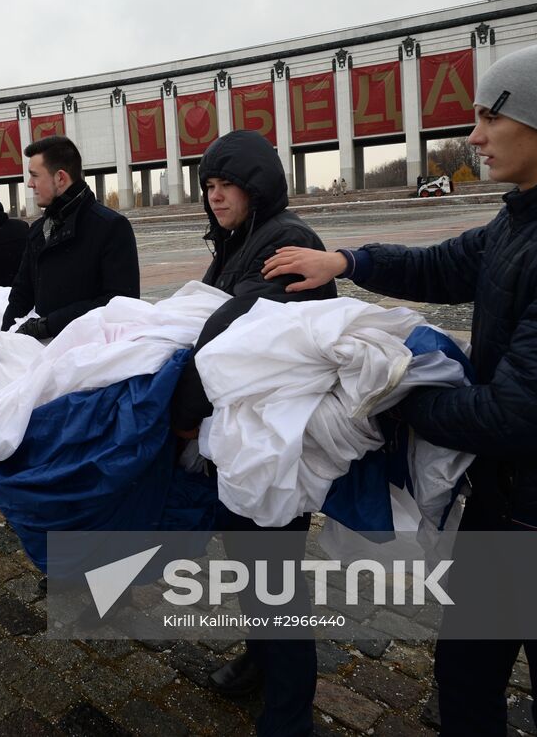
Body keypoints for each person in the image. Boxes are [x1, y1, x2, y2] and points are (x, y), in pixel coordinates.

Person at [263, 40, 537, 737]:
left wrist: (376, 398)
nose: (474, 135)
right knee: (463, 679)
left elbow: (518, 415)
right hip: (506, 509)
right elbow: (447, 266)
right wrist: (347, 259)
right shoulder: (532, 214)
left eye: (490, 117)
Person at [163, 130, 338, 736]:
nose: (214, 195)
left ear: (255, 184)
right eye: (207, 186)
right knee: (249, 567)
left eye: (225, 184)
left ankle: (289, 718)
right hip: (239, 438)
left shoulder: (285, 240)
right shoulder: (238, 241)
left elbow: (229, 336)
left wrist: (183, 412)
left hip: (273, 442)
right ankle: (259, 662)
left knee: (276, 581)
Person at [1, 135, 139, 338]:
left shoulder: (110, 227)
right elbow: (21, 296)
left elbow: (120, 302)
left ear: (60, 178)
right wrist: (3, 340)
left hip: (91, 354)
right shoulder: (39, 230)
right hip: (46, 353)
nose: (30, 184)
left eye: (35, 175)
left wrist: (49, 325)